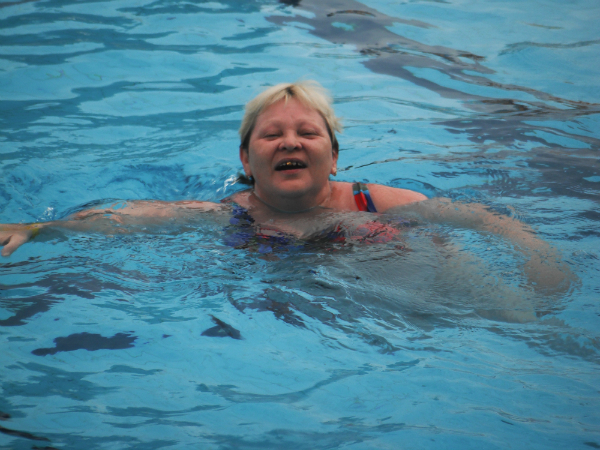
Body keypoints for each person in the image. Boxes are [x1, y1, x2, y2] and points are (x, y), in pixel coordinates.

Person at [0, 81, 573, 294]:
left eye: (307, 133)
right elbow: (128, 218)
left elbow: (483, 220)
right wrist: (36, 229)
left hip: (424, 278)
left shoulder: (374, 200)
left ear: (334, 156)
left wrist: (536, 255)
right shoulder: (231, 213)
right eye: (271, 135)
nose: (289, 142)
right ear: (246, 160)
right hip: (343, 305)